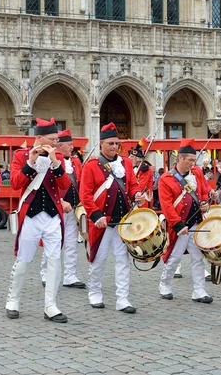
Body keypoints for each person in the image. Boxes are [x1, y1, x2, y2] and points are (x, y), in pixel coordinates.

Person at [5, 117, 71, 322]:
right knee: (23, 259)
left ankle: (50, 305)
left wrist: (55, 162)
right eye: (52, 139)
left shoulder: (57, 156)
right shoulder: (21, 155)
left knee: (54, 260)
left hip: (52, 216)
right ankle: (13, 300)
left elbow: (65, 185)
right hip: (31, 216)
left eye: (57, 139)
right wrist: (31, 162)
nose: (55, 143)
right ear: (39, 137)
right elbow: (15, 183)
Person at [79, 123, 143, 314]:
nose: (114, 147)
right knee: (98, 258)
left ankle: (122, 299)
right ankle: (95, 293)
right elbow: (86, 194)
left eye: (116, 143)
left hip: (123, 220)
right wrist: (96, 215)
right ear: (101, 144)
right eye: (110, 143)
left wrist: (137, 194)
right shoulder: (91, 166)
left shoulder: (126, 163)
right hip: (102, 221)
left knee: (123, 260)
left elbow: (132, 185)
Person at [158, 139, 214, 304]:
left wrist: (204, 204)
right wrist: (177, 224)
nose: (192, 164)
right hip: (180, 225)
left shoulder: (196, 173)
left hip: (196, 222)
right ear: (180, 158)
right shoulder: (166, 178)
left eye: (193, 160)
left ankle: (199, 290)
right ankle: (165, 285)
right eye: (189, 160)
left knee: (198, 258)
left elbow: (203, 193)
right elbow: (166, 206)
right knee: (174, 257)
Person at [39, 129, 86, 289]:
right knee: (53, 242)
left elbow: (79, 183)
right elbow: (46, 185)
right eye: (69, 144)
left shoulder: (76, 161)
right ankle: (46, 274)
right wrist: (59, 201)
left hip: (73, 208)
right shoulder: (51, 159)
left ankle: (70, 276)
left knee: (72, 242)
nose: (72, 147)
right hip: (56, 208)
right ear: (59, 145)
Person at [129, 138, 154, 208]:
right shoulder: (133, 168)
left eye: (132, 157)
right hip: (136, 197)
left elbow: (141, 186)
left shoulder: (145, 169)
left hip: (144, 198)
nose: (130, 159)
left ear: (137, 158)